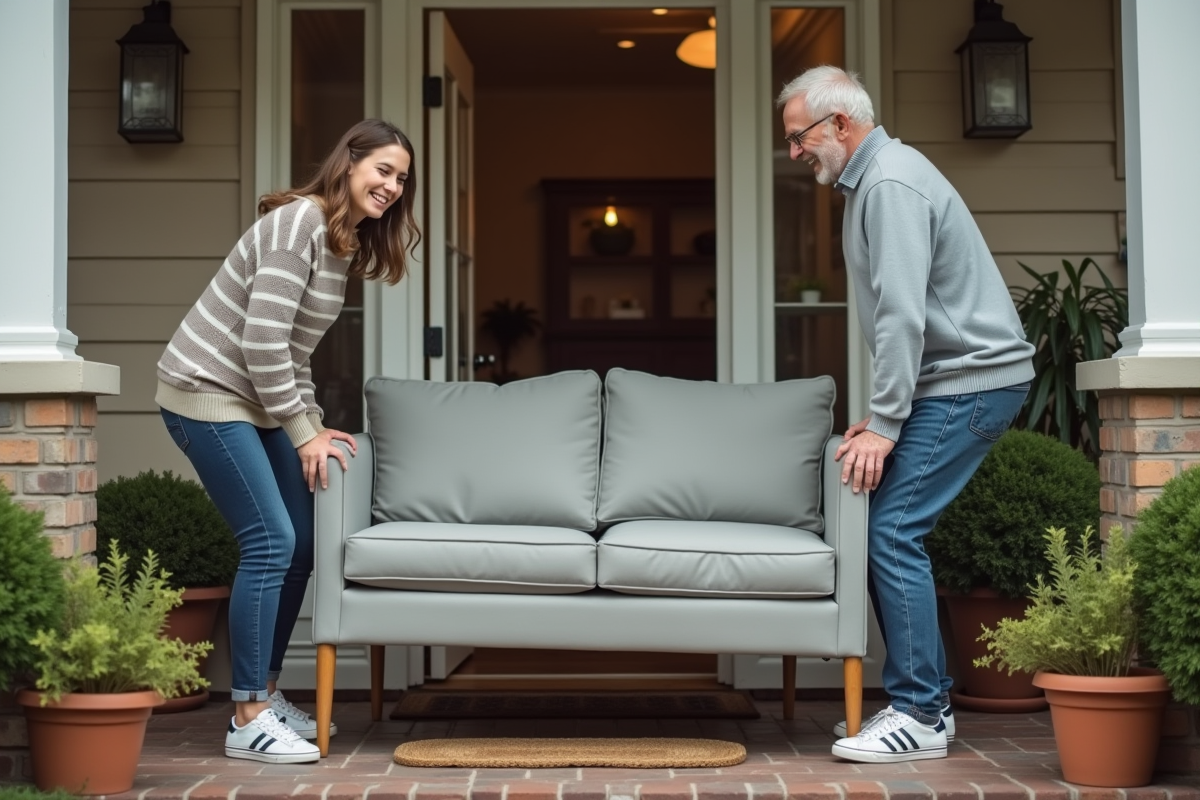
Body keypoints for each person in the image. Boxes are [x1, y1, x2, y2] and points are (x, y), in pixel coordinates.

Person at [777, 66, 1035, 763]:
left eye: (800, 137)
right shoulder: (877, 180)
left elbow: (899, 319)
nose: (796, 153)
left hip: (971, 384)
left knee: (890, 531)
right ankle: (932, 706)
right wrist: (881, 416)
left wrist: (887, 423)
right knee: (882, 529)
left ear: (840, 123)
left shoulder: (888, 182)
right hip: (952, 384)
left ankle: (919, 713)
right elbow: (905, 320)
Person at [155, 119, 420, 763]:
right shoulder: (300, 222)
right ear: (349, 162)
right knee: (270, 539)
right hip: (206, 393)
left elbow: (291, 351)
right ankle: (246, 717)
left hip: (257, 402)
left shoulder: (339, 244)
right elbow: (259, 343)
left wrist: (312, 422)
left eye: (402, 179)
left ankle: (265, 695)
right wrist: (302, 431)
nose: (391, 186)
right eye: (382, 169)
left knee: (301, 539)